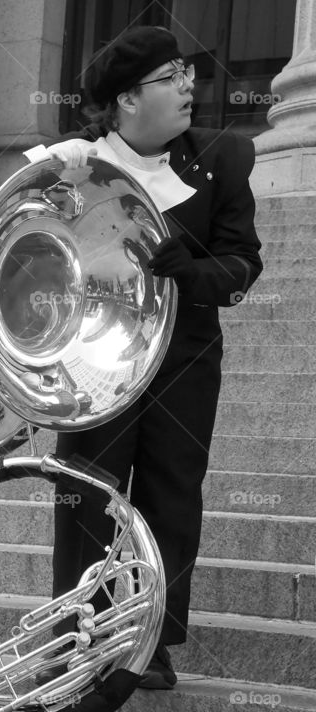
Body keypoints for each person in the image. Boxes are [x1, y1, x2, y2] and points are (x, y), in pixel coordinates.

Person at [35, 26, 263, 690]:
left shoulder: (223, 158)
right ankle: (80, 628)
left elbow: (241, 265)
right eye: (172, 78)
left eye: (188, 74)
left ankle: (147, 640)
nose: (191, 87)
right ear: (128, 99)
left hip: (184, 355)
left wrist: (192, 272)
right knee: (88, 495)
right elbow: (31, 262)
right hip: (92, 360)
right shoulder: (70, 166)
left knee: (170, 496)